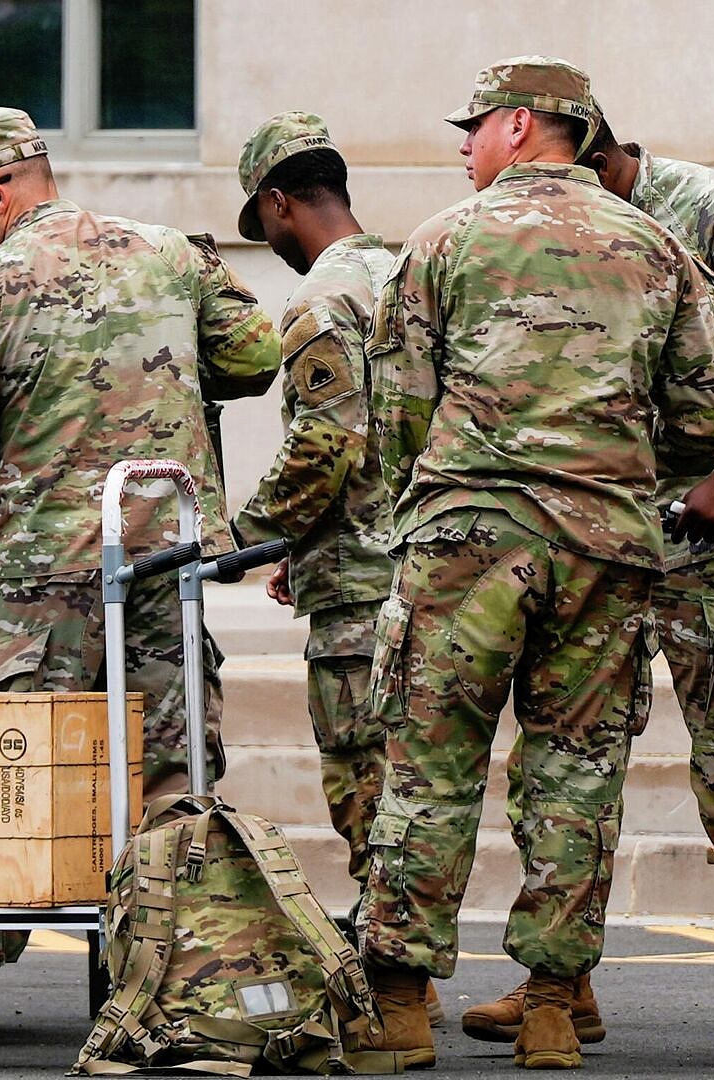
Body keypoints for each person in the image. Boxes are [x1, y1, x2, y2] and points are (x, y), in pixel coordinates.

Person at [0, 107, 280, 1045]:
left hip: (42, 584)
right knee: (170, 771)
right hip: (165, 561)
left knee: (10, 769)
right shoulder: (174, 255)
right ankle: (167, 981)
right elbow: (255, 355)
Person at [354, 56, 714, 1070]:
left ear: (524, 125)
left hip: (464, 542)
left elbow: (395, 407)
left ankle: (399, 1001)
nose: (464, 144)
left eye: (474, 125)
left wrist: (424, 504)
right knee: (576, 772)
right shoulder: (654, 245)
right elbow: (712, 416)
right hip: (603, 547)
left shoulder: (443, 240)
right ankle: (551, 1009)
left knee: (428, 761)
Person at [463, 114, 714, 1046]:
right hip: (602, 531)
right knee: (575, 763)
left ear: (590, 154)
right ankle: (561, 982)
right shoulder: (546, 226)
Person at [228, 111, 443, 1026]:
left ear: (280, 203)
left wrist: (242, 535)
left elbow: (325, 442)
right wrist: (298, 548)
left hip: (360, 590)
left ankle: (399, 989)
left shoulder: (323, 299)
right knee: (418, 781)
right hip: (426, 567)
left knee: (367, 791)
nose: (268, 241)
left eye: (263, 222)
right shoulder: (411, 274)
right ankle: (409, 974)